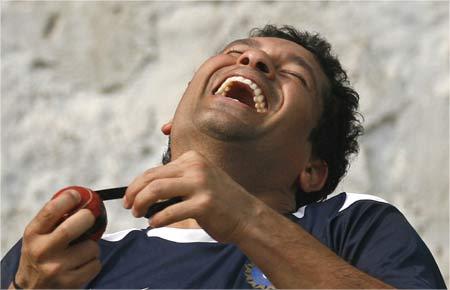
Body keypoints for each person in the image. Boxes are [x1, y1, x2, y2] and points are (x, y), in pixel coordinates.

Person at [1, 25, 446, 289]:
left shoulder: (351, 225)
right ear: (172, 126)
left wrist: (244, 217)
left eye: (294, 74)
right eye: (235, 53)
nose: (253, 59)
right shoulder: (67, 257)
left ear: (311, 169)